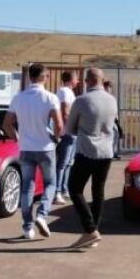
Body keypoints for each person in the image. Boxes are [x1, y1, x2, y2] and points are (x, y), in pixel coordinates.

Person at [2, 64, 62, 241]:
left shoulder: (18, 98)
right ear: (44, 77)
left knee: (27, 186)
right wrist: (56, 139)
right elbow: (59, 125)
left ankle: (28, 227)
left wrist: (17, 138)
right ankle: (42, 215)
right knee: (50, 183)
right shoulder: (50, 98)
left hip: (26, 148)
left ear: (29, 76)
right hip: (45, 148)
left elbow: (6, 124)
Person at [64, 67, 119, 250]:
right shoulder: (112, 101)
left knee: (74, 189)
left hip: (87, 151)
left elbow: (70, 128)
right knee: (98, 191)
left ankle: (90, 229)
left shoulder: (81, 101)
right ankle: (94, 231)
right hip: (107, 152)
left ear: (87, 81)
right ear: (102, 81)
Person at [53, 70, 79, 205]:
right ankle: (57, 192)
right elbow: (65, 112)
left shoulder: (69, 92)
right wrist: (73, 127)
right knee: (62, 163)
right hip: (67, 133)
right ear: (70, 79)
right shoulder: (65, 92)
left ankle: (64, 188)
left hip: (71, 133)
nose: (78, 81)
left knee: (69, 163)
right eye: (76, 78)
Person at [103, 80, 123, 160]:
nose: (109, 89)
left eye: (110, 87)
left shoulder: (112, 98)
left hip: (113, 120)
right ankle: (108, 153)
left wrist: (117, 117)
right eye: (107, 87)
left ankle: (113, 152)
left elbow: (114, 109)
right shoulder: (103, 97)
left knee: (116, 134)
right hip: (106, 120)